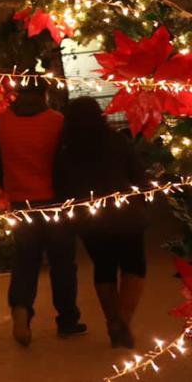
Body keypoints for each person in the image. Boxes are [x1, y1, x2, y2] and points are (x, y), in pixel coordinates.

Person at [0, 86, 86, 345]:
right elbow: (70, 160)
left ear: (18, 94)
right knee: (62, 263)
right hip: (55, 203)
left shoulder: (3, 122)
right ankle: (67, 320)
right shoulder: (57, 121)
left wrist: (10, 186)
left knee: (25, 261)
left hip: (21, 203)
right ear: (43, 95)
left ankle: (21, 311)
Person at [54, 97, 149, 348]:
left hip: (90, 219)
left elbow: (61, 187)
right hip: (126, 215)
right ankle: (123, 321)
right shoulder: (117, 141)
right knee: (134, 266)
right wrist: (143, 202)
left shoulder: (65, 150)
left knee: (104, 268)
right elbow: (139, 174)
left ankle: (111, 321)